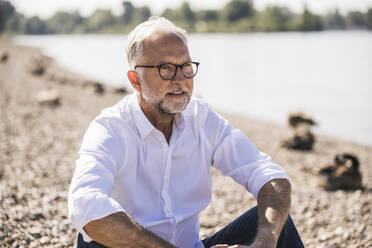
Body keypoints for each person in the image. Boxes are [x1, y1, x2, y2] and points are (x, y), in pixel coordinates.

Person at [68, 16, 304, 248]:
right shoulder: (110, 128)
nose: (180, 79)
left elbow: (268, 174)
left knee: (276, 223)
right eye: (166, 69)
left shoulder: (201, 119)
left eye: (186, 66)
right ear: (135, 80)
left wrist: (265, 241)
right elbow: (84, 204)